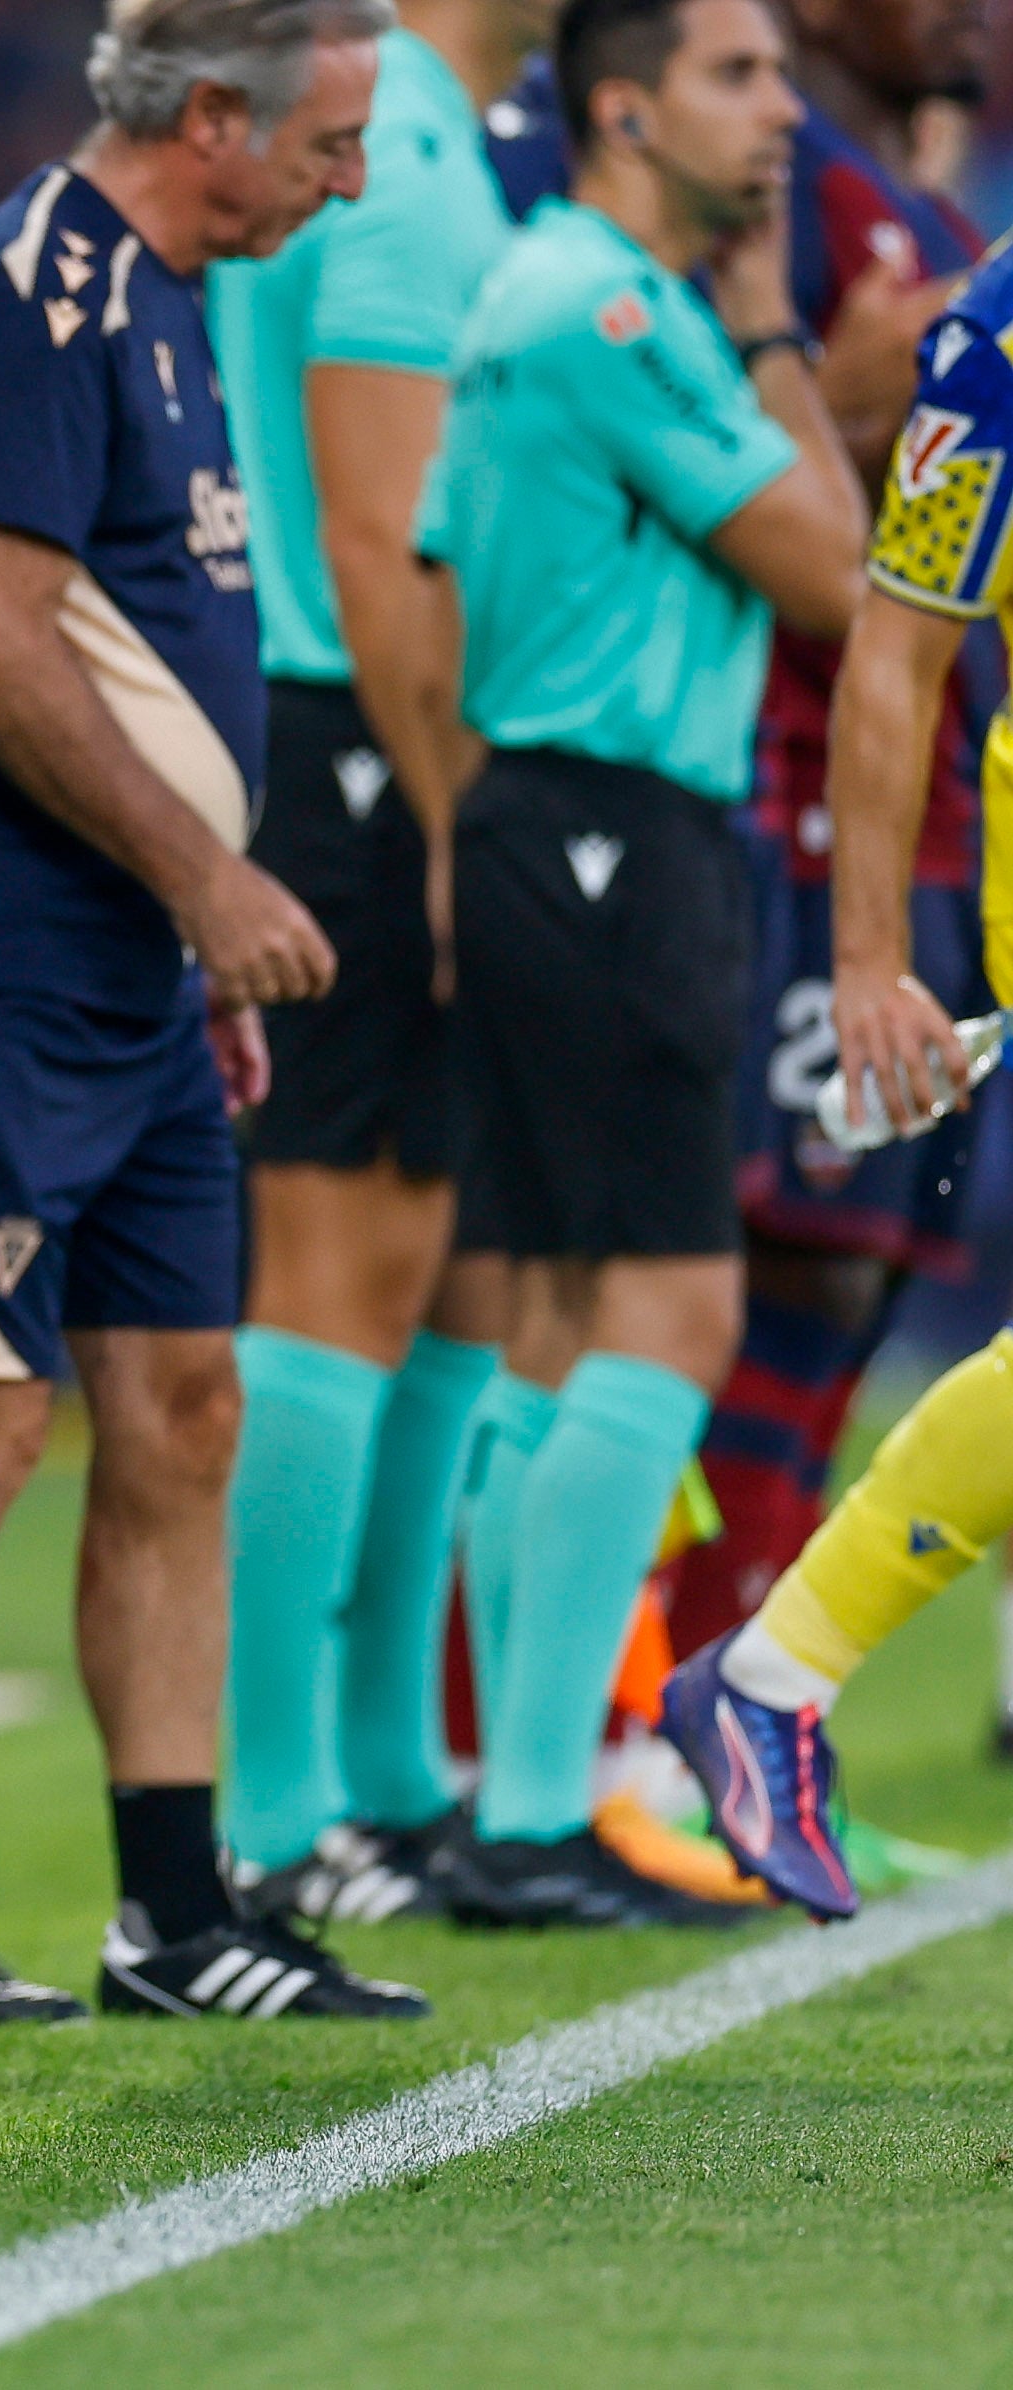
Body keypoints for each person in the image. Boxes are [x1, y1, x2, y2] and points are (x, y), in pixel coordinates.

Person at [0, 0, 429, 2031]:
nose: (346, 184)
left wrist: (176, 944)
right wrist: (205, 881)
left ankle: (175, 1908)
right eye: (328, 142)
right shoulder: (31, 292)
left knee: (183, 1411)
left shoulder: (165, 288)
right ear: (214, 115)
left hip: (122, 975)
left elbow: (117, 645)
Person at [413, 0, 864, 1926]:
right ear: (621, 106)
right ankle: (532, 1813)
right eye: (736, 76)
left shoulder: (560, 295)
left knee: (548, 1324)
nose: (777, 113)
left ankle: (533, 1796)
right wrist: (770, 324)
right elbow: (849, 573)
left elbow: (442, 579)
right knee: (669, 1317)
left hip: (560, 829)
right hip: (616, 831)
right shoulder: (603, 311)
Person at [202, 0, 546, 1926]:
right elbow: (374, 520)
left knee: (433, 1258)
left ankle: (385, 1776)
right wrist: (446, 822)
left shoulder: (427, 127)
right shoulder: (397, 141)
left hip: (365, 723)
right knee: (338, 1263)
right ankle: (274, 1809)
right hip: (349, 730)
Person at [661, 198, 1013, 1916]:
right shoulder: (997, 344)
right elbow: (898, 644)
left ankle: (770, 1678)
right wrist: (871, 959)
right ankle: (771, 1678)